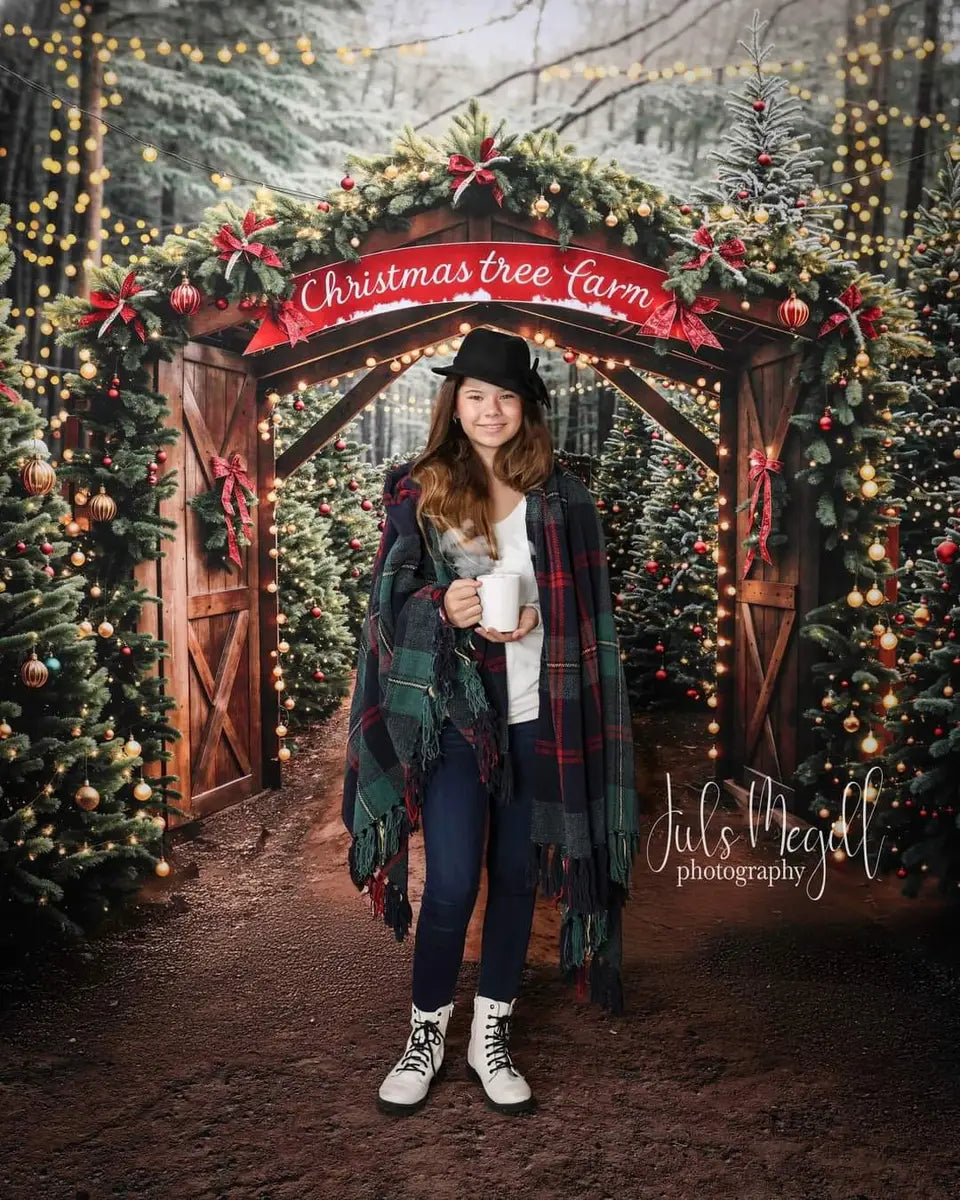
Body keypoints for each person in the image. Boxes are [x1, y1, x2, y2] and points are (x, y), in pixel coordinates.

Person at [342, 328, 640, 1120]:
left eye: (505, 395)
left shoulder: (565, 498)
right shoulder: (418, 489)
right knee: (446, 885)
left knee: (514, 879)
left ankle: (490, 1033)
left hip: (540, 712)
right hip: (453, 719)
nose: (489, 409)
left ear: (526, 408)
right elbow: (383, 609)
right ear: (455, 403)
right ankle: (426, 1033)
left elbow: (593, 616)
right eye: (475, 394)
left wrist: (541, 614)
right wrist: (441, 606)